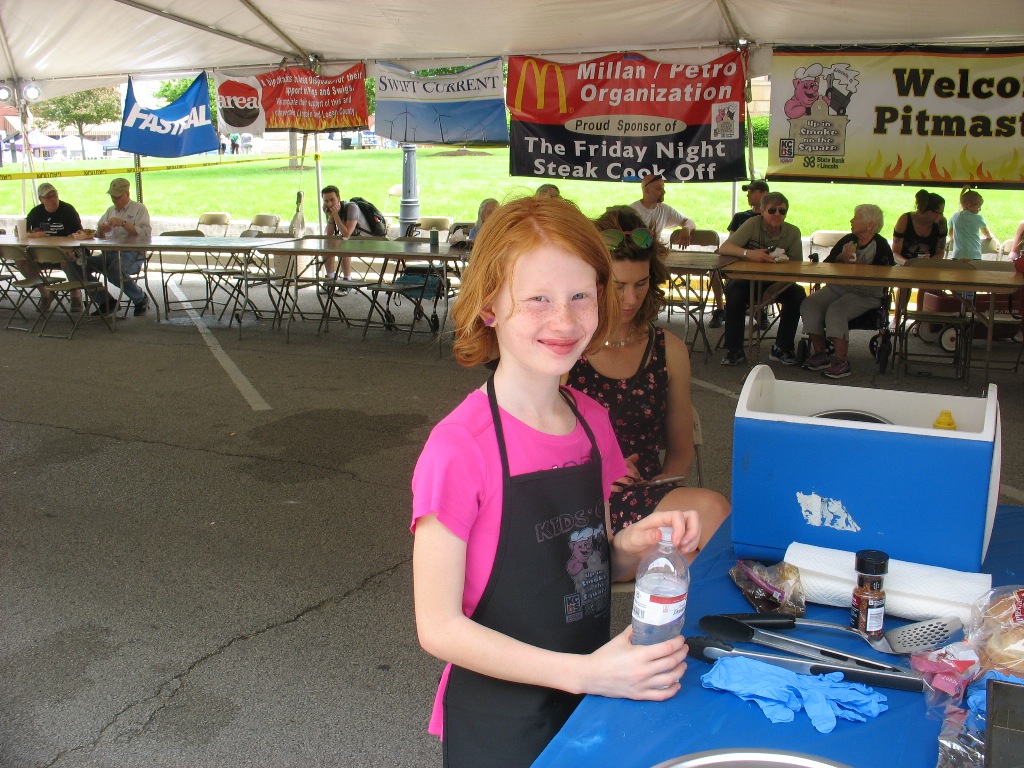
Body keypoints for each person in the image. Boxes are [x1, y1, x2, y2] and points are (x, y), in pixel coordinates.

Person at [411, 196, 700, 768]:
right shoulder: (459, 448)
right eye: (537, 299)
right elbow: (438, 627)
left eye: (579, 296)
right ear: (489, 305)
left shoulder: (592, 422)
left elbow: (579, 563)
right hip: (501, 722)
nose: (564, 321)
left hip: (585, 697)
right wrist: (585, 674)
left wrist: (631, 547)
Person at [566, 205, 730, 551]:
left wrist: (660, 484)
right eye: (619, 286)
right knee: (702, 532)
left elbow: (680, 450)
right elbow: (530, 446)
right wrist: (598, 473)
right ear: (592, 283)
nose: (631, 299)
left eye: (641, 284)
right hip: (576, 499)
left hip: (646, 495)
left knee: (707, 523)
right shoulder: (566, 346)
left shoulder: (668, 350)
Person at [800, 204, 894, 379]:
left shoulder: (880, 245)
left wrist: (860, 265)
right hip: (839, 286)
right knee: (810, 304)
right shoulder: (848, 240)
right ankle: (820, 354)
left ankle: (841, 361)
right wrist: (839, 258)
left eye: (856, 218)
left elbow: (886, 275)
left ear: (870, 225)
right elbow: (827, 264)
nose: (851, 220)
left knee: (837, 310)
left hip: (866, 293)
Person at [717, 191, 805, 366]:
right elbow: (724, 247)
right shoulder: (752, 224)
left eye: (782, 211)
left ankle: (782, 347)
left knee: (798, 294)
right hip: (747, 279)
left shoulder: (793, 232)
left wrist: (773, 290)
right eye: (772, 210)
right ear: (763, 211)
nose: (777, 214)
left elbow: (796, 268)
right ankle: (734, 350)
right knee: (734, 290)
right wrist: (749, 254)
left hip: (777, 282)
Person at [64, 177, 151, 317]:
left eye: (118, 196)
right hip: (109, 253)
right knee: (74, 265)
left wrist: (123, 223)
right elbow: (98, 235)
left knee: (114, 270)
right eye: (112, 196)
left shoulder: (139, 209)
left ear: (127, 193)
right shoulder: (110, 210)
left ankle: (140, 298)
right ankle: (105, 300)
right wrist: (100, 229)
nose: (114, 199)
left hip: (132, 253)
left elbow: (144, 234)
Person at [708, 179, 771, 329]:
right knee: (713, 268)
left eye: (752, 191)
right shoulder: (740, 217)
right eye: (748, 192)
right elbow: (731, 242)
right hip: (738, 258)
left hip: (761, 261)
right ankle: (720, 308)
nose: (748, 195)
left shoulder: (771, 217)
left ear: (764, 194)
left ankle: (761, 310)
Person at [19, 183, 87, 311]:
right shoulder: (36, 212)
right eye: (48, 197)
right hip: (42, 253)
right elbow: (21, 231)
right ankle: (45, 292)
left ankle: (75, 294)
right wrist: (33, 235)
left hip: (64, 252)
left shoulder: (68, 210)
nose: (53, 199)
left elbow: (76, 235)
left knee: (68, 259)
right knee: (22, 261)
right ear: (41, 199)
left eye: (54, 195)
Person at [320, 185, 372, 290]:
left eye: (332, 200)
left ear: (338, 198)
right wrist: (331, 217)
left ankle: (347, 281)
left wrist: (335, 215)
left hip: (366, 240)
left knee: (343, 244)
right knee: (328, 243)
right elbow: (329, 235)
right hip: (350, 240)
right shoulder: (331, 210)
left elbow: (346, 234)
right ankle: (330, 278)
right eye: (326, 201)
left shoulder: (352, 208)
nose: (329, 204)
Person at [629, 173, 696, 248]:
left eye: (663, 188)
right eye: (659, 189)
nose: (664, 191)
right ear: (646, 191)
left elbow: (689, 222)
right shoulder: (631, 211)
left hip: (655, 252)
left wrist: (687, 228)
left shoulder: (664, 210)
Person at [891, 189, 946, 265]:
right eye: (941, 212)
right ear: (930, 213)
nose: (942, 216)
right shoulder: (905, 220)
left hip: (929, 265)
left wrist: (928, 263)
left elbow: (940, 252)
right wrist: (910, 264)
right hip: (904, 265)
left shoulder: (941, 223)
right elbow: (895, 253)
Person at [949, 187, 995, 261]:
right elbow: (986, 232)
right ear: (970, 206)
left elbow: (951, 233)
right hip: (974, 255)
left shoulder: (954, 216)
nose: (980, 209)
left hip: (957, 255)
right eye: (979, 207)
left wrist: (955, 238)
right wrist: (990, 236)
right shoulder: (978, 218)